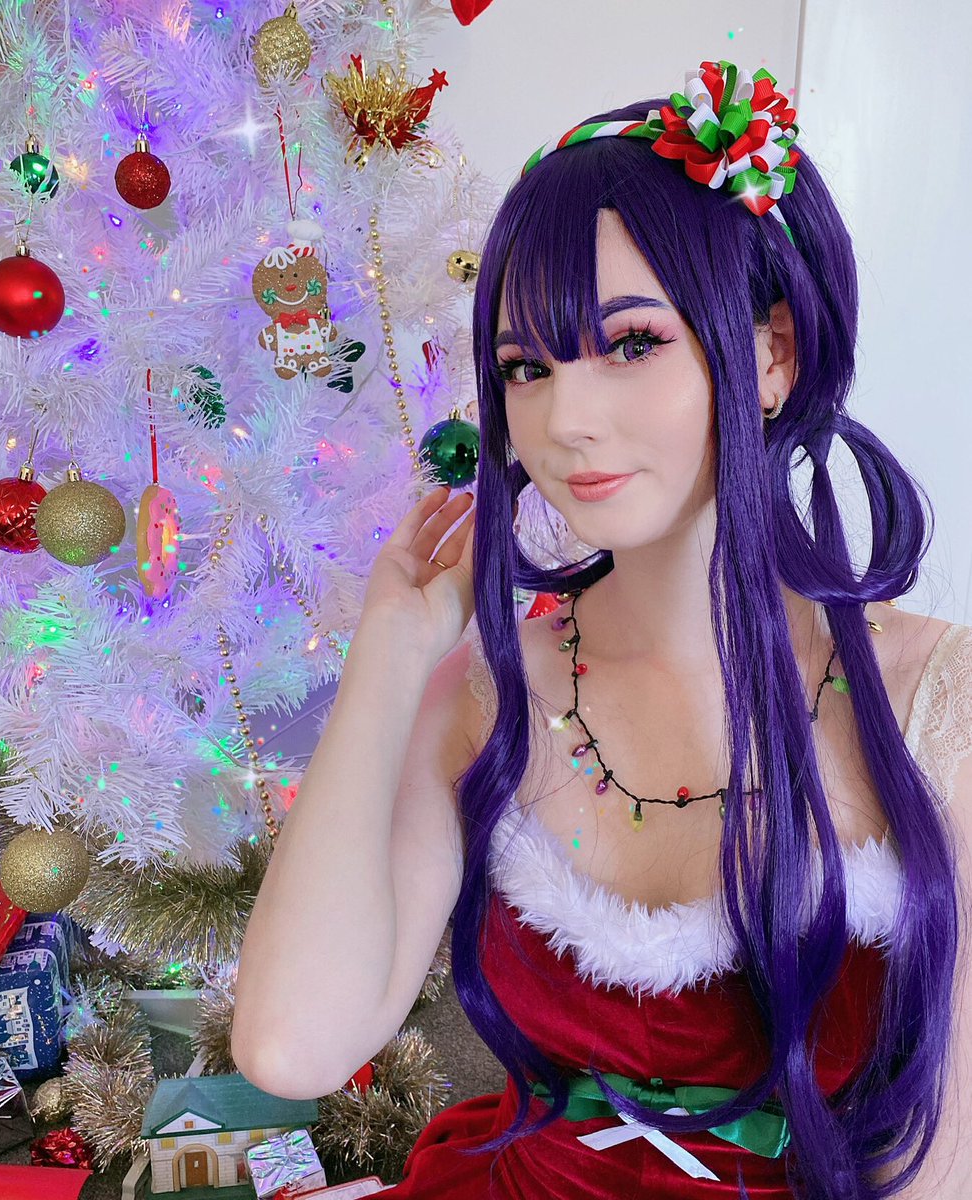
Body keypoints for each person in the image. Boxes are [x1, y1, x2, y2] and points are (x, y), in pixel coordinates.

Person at [231, 59, 972, 1199]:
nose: (565, 419)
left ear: (771, 354)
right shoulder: (487, 693)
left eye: (631, 344)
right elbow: (291, 1050)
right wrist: (389, 653)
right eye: (526, 367)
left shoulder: (940, 704)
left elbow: (945, 1154)